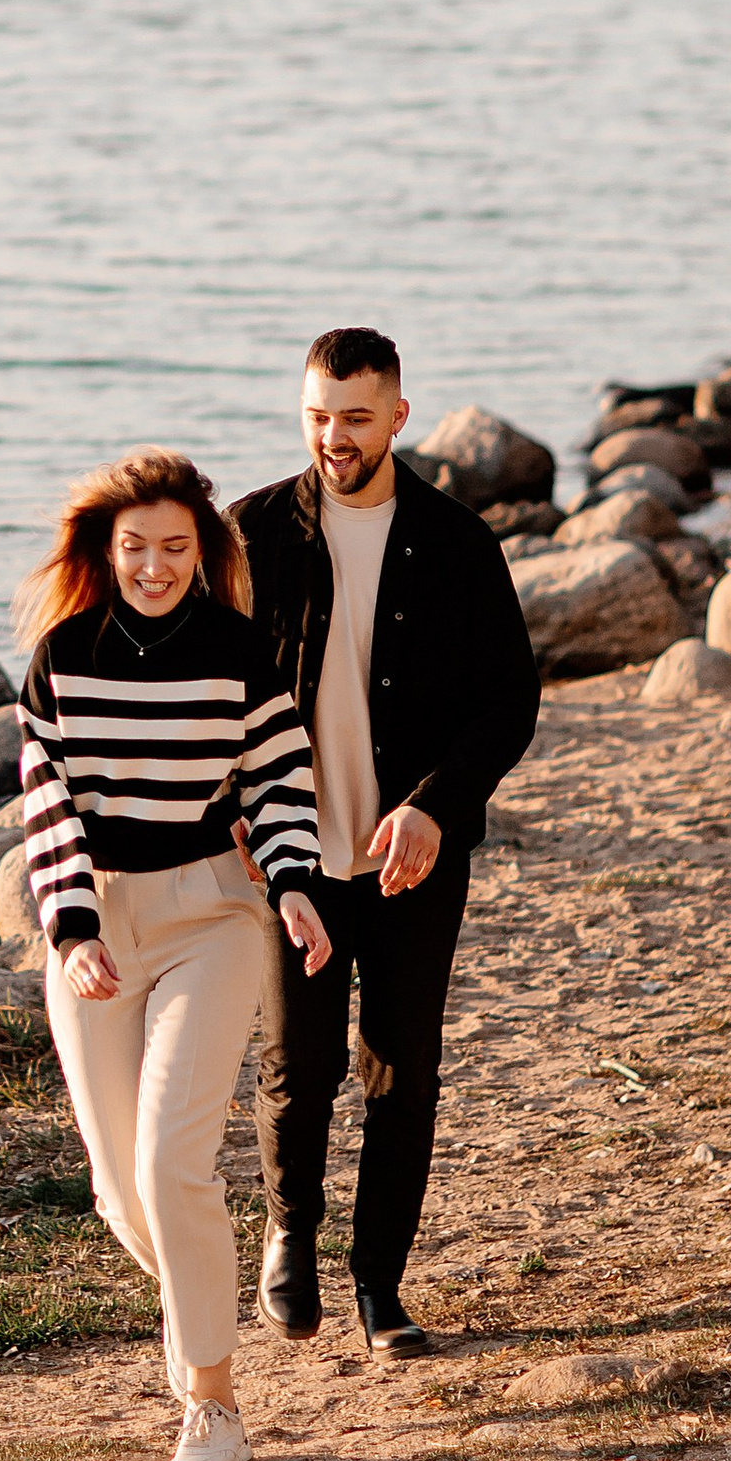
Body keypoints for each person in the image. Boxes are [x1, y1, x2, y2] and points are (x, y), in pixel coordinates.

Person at [14, 446, 333, 1461]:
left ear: (203, 553)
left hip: (213, 914)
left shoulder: (242, 651)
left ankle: (211, 1401)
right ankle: (202, 1299)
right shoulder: (60, 658)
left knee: (172, 1163)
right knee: (118, 1189)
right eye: (135, 547)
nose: (153, 565)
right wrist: (69, 927)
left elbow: (277, 780)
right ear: (107, 552)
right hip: (96, 918)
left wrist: (292, 885)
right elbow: (45, 804)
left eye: (173, 548)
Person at [228, 328, 539, 1359]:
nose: (333, 436)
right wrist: (236, 815)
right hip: (293, 858)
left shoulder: (456, 541)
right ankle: (288, 1231)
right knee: (297, 1062)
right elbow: (209, 701)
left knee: (400, 1066)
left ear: (398, 417)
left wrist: (434, 803)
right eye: (317, 414)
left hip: (412, 858)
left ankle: (379, 1285)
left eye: (355, 417)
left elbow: (508, 702)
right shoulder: (251, 534)